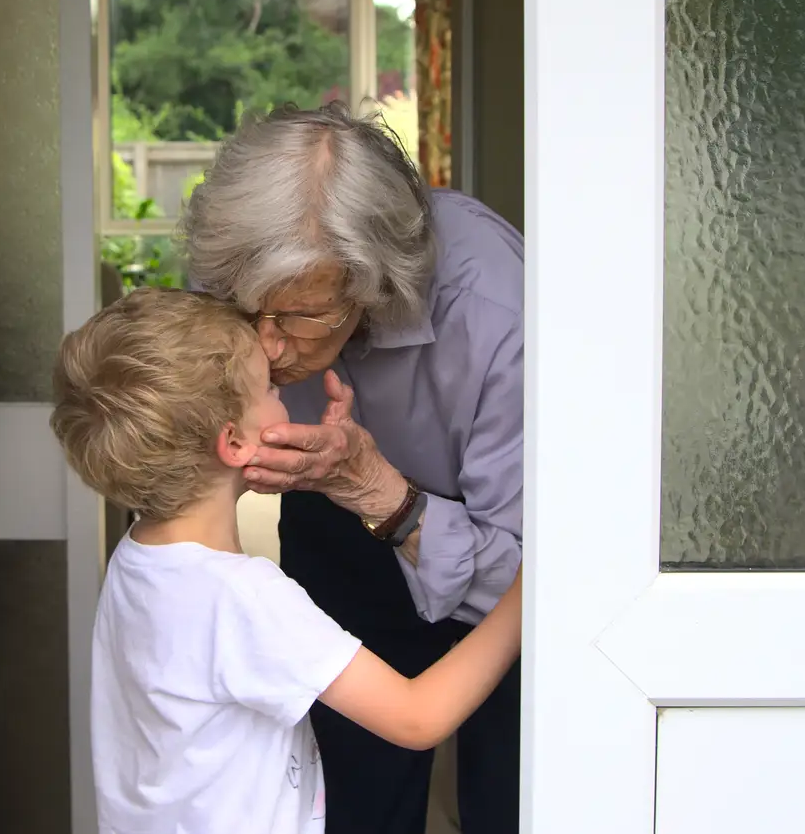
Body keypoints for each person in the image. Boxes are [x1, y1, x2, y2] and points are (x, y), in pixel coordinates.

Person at [51, 286, 522, 834]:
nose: (283, 390)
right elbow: (417, 717)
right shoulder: (245, 597)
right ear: (234, 444)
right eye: (269, 387)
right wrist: (524, 591)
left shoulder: (135, 560)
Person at [181, 104, 524, 834]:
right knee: (351, 797)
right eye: (250, 313)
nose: (268, 350)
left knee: (512, 793)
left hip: (504, 550)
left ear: (370, 287)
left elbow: (534, 580)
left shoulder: (496, 312)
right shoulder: (235, 263)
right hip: (334, 516)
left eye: (301, 317)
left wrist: (384, 493)